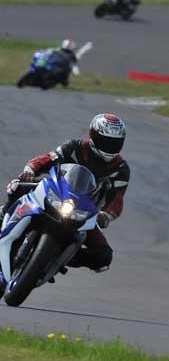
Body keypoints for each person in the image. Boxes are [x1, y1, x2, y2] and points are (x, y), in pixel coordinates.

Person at [2, 114, 129, 274]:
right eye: (106, 141)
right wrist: (30, 170)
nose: (109, 146)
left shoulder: (120, 168)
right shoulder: (75, 147)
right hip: (54, 194)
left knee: (104, 257)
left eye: (115, 143)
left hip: (85, 214)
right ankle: (3, 215)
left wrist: (106, 215)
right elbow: (47, 158)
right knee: (16, 187)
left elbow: (117, 199)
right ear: (93, 135)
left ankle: (57, 259)